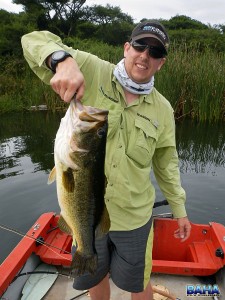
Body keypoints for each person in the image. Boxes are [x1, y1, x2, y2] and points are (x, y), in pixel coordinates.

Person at [21, 20, 191, 300]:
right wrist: (61, 61)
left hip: (134, 216)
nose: (145, 55)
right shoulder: (91, 69)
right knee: (93, 274)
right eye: (140, 46)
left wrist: (179, 208)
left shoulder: (163, 109)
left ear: (160, 63)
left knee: (138, 283)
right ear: (127, 48)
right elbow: (33, 39)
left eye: (155, 52)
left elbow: (166, 162)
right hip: (85, 214)